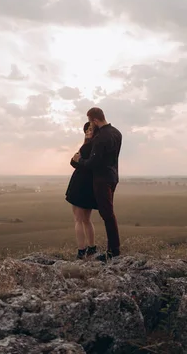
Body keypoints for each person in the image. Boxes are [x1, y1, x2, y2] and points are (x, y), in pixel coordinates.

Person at [73, 107, 122, 262]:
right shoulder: (116, 133)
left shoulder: (102, 137)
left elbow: (93, 163)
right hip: (113, 176)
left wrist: (79, 160)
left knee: (107, 214)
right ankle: (113, 248)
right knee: (108, 214)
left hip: (101, 179)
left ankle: (113, 250)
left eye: (90, 121)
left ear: (94, 120)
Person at [66, 122, 99, 260]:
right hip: (90, 185)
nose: (87, 131)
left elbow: (76, 162)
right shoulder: (96, 146)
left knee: (78, 220)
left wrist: (76, 160)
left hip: (80, 185)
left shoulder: (87, 146)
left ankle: (81, 251)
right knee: (86, 219)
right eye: (86, 129)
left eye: (90, 129)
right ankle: (91, 248)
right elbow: (75, 162)